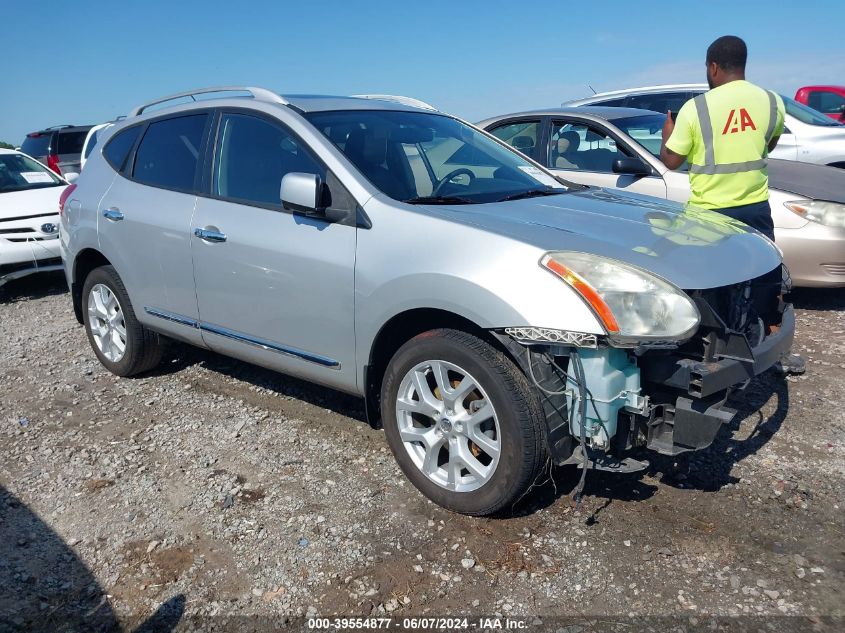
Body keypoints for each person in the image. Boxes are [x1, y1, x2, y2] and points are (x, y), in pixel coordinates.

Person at [660, 35, 804, 374]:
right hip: (754, 207)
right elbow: (768, 144)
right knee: (764, 275)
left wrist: (669, 131)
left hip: (709, 213)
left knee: (711, 284)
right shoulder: (771, 101)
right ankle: (770, 342)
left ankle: (715, 351)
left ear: (712, 67)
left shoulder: (697, 108)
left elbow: (671, 160)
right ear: (742, 64)